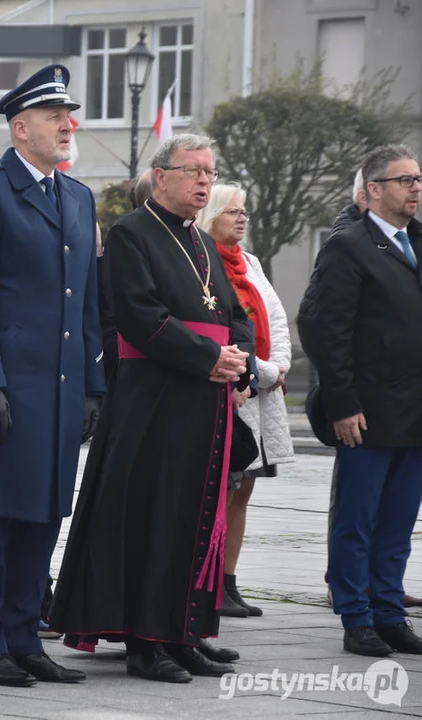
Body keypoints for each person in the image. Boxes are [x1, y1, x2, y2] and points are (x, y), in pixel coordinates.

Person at [50, 134, 252, 683]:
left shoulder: (203, 243)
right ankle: (145, 641)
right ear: (161, 176)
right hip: (155, 397)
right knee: (154, 515)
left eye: (210, 172)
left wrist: (241, 359)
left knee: (193, 515)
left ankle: (184, 633)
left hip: (204, 399)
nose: (204, 182)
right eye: (194, 172)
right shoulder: (131, 233)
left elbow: (235, 313)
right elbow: (140, 316)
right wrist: (209, 357)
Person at [0, 64, 102, 688]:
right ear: (20, 126)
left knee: (42, 515)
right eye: (57, 116)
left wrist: (93, 384)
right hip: (5, 387)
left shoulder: (77, 195)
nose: (70, 125)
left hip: (58, 389)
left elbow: (84, 300)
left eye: (69, 114)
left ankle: (24, 637)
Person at [297, 144, 422, 657]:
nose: (415, 188)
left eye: (418, 179)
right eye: (404, 180)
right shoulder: (349, 245)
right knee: (358, 517)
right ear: (373, 190)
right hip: (369, 410)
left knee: (398, 521)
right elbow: (323, 327)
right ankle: (357, 615)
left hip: (415, 409)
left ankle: (389, 611)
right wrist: (343, 403)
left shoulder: (416, 241)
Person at [196, 183, 294, 618]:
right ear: (211, 215)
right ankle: (207, 582)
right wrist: (262, 371)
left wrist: (279, 367)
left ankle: (229, 582)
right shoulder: (201, 259)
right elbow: (223, 328)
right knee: (218, 490)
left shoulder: (251, 262)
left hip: (260, 391)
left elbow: (276, 318)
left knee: (244, 491)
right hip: (231, 388)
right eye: (231, 211)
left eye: (244, 211)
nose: (241, 218)